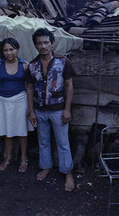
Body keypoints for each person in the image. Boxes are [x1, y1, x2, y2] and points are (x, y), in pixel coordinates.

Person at [26, 28, 76, 192]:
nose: (43, 46)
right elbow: (30, 88)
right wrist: (31, 111)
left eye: (46, 42)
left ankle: (67, 172)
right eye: (39, 43)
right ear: (35, 45)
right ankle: (46, 166)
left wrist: (67, 110)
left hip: (58, 110)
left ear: (52, 43)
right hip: (40, 110)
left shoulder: (63, 61)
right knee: (43, 141)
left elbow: (69, 86)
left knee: (63, 143)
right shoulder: (32, 65)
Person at [0, 38, 33, 172]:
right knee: (7, 132)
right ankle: (8, 158)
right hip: (3, 101)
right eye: (5, 50)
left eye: (11, 49)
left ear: (17, 49)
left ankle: (24, 158)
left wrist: (30, 108)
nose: (9, 53)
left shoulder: (24, 65)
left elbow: (29, 87)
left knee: (22, 132)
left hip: (20, 101)